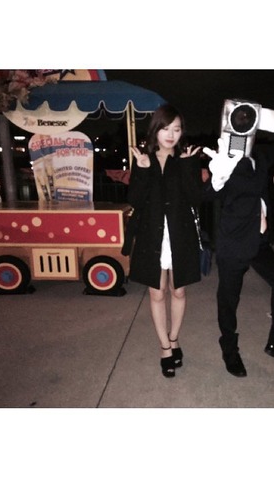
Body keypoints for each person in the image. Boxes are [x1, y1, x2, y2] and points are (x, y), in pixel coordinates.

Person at [203, 101, 274, 377]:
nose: (244, 133)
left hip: (258, 241)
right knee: (228, 300)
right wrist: (217, 179)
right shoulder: (224, 160)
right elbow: (207, 195)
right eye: (239, 126)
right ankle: (230, 351)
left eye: (249, 126)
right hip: (234, 243)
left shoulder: (261, 156)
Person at [122, 104, 202, 378]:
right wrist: (143, 170)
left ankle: (174, 337)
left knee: (178, 291)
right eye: (165, 128)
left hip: (180, 236)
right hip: (152, 235)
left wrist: (190, 166)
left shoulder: (186, 159)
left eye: (176, 129)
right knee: (157, 293)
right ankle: (165, 347)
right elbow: (134, 200)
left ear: (182, 132)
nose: (170, 134)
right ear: (155, 130)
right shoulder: (144, 159)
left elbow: (196, 198)